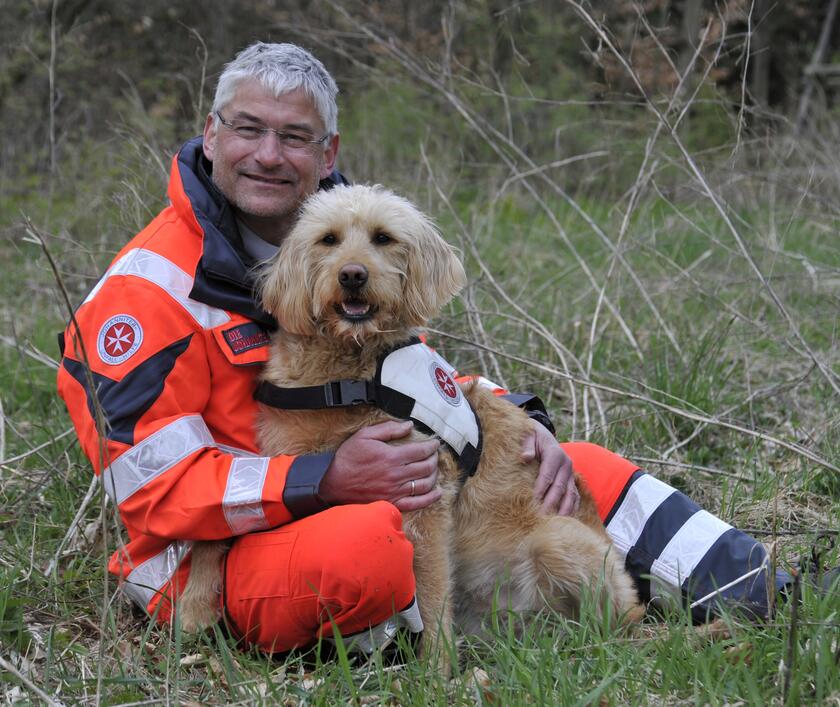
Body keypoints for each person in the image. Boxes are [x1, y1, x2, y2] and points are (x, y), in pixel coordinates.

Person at [57, 41, 796, 654]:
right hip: (213, 554)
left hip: (345, 488)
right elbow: (147, 491)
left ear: (327, 151)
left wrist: (514, 416)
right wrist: (318, 477)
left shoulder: (353, 234)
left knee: (569, 469)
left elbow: (405, 374)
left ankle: (772, 596)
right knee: (374, 540)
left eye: (294, 137)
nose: (269, 155)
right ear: (212, 134)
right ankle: (436, 650)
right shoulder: (143, 294)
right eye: (249, 129)